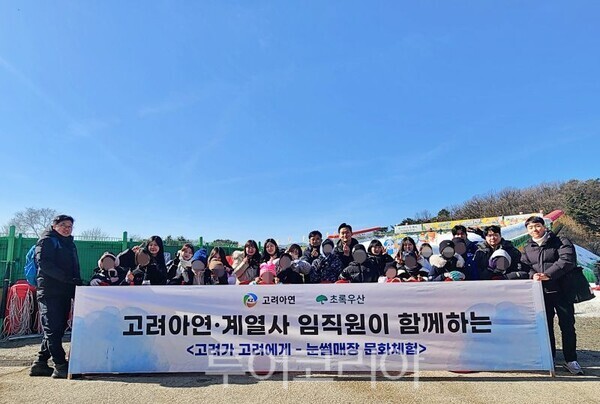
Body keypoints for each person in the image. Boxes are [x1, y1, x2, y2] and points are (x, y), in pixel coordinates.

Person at [520, 216, 583, 375]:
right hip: (542, 293)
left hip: (562, 291)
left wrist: (548, 274)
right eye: (530, 227)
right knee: (545, 327)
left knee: (567, 326)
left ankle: (571, 360)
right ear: (527, 231)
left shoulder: (560, 241)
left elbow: (567, 260)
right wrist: (533, 275)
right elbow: (525, 266)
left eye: (537, 226)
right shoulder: (527, 247)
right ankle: (550, 358)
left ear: (544, 227)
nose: (535, 229)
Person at [30, 214, 81, 379]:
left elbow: (74, 267)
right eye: (63, 225)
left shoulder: (69, 243)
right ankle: (60, 365)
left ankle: (40, 362)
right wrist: (66, 278)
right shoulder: (47, 241)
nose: (67, 229)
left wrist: (76, 283)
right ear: (54, 226)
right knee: (53, 328)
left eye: (70, 226)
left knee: (57, 328)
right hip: (50, 291)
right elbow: (44, 264)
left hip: (64, 291)